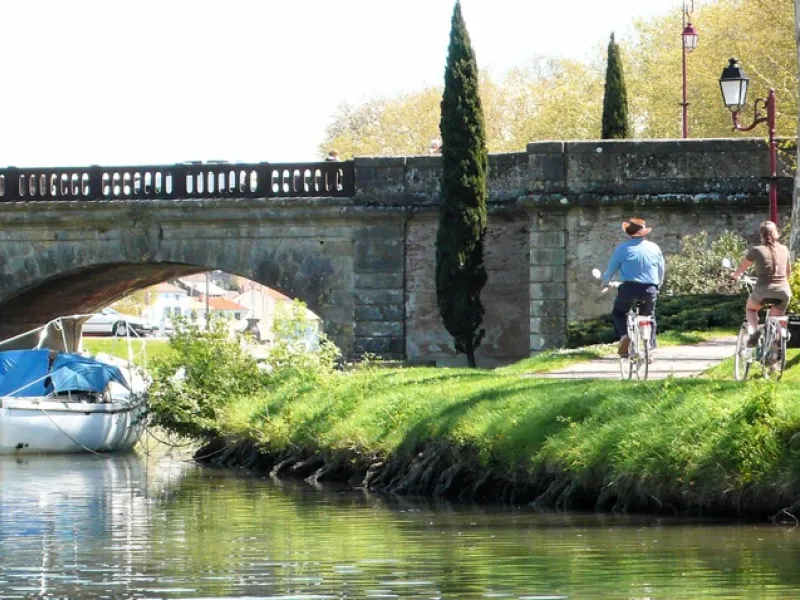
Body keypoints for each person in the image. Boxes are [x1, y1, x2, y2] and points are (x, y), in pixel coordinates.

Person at [601, 218, 665, 356]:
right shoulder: (655, 248)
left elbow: (611, 270)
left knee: (619, 312)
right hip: (650, 289)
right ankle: (651, 348)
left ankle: (624, 336)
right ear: (644, 233)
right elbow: (661, 270)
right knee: (648, 316)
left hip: (628, 289)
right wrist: (658, 285)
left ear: (628, 234)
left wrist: (605, 282)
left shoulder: (622, 249)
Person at [730, 220, 792, 346]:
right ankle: (775, 352)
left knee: (751, 309)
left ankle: (754, 331)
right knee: (776, 321)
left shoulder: (756, 250)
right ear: (776, 234)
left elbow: (741, 269)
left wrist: (735, 276)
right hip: (783, 292)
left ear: (761, 235)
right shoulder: (784, 249)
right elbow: (788, 273)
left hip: (763, 291)